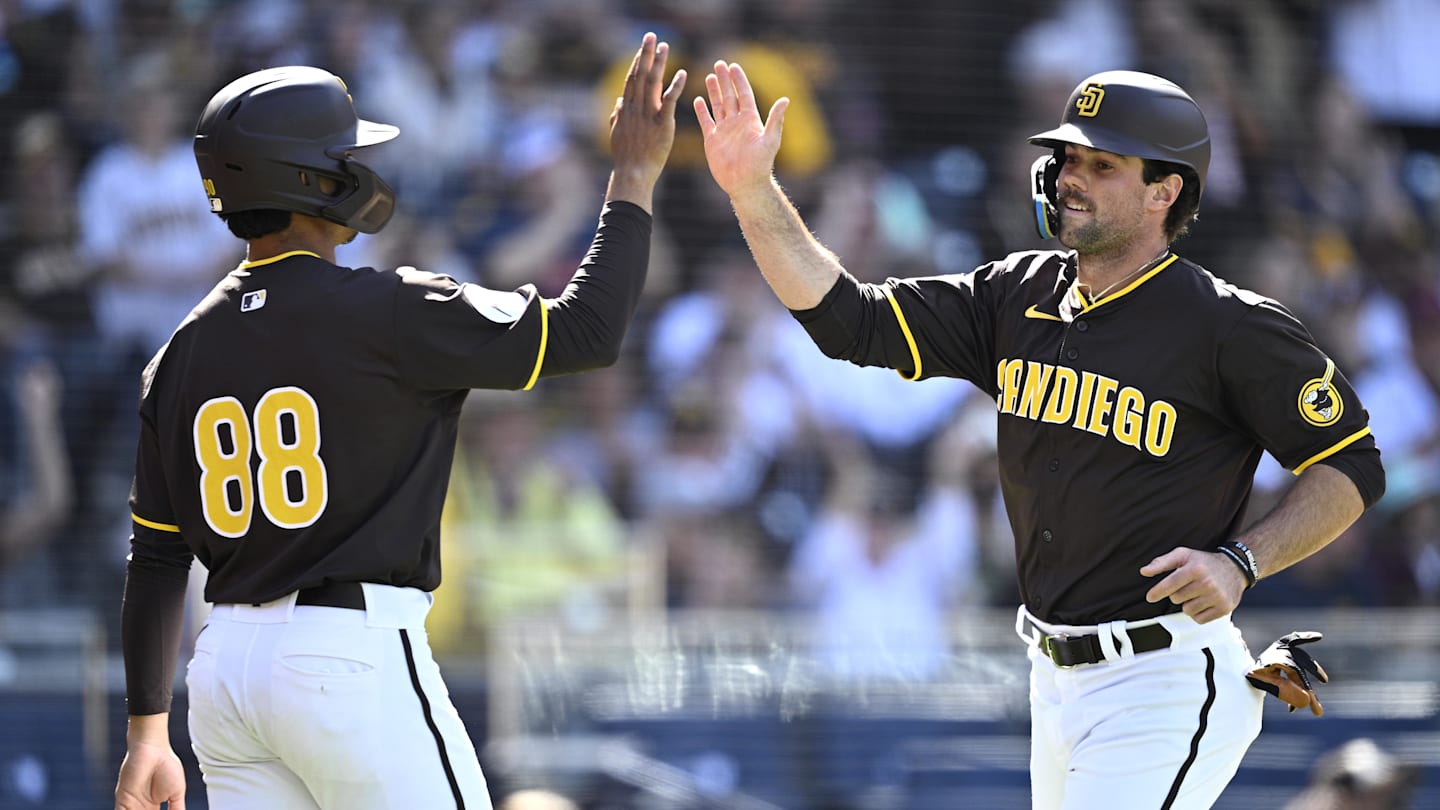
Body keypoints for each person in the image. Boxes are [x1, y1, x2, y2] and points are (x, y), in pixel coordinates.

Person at [694, 63, 1385, 809]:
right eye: (1067, 158)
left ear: (1165, 191)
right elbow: (847, 320)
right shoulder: (1014, 295)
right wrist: (752, 191)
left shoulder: (1229, 326)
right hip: (1054, 679)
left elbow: (1353, 466)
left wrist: (1243, 560)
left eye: (1101, 163)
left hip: (1162, 677)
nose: (1069, 178)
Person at [113, 33, 685, 810]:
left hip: (222, 677)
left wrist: (148, 734)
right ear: (313, 178)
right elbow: (590, 332)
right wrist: (634, 173)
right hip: (349, 657)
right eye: (343, 154)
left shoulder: (175, 354)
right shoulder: (390, 309)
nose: (362, 167)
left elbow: (154, 562)